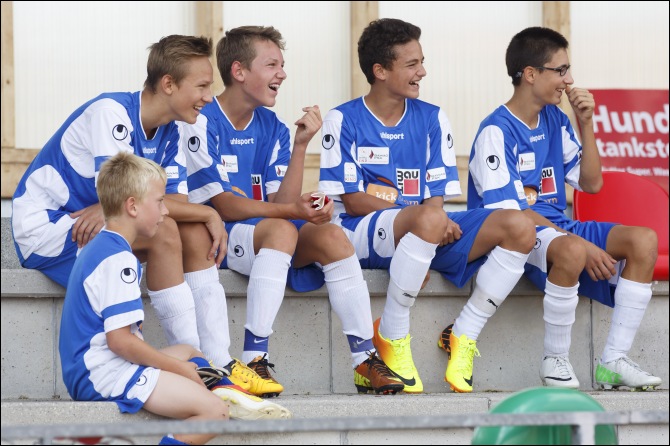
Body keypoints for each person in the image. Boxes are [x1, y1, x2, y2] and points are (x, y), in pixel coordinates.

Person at [11, 34, 286, 405]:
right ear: (168, 84)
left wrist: (199, 212)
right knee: (169, 229)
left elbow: (171, 202)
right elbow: (123, 198)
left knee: (191, 230)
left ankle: (215, 360)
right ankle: (202, 368)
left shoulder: (175, 128)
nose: (209, 97)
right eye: (202, 86)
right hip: (48, 227)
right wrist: (207, 210)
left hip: (102, 228)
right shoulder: (112, 112)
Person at [180, 25, 404, 397]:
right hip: (216, 239)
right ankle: (255, 358)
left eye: (282, 65)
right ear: (239, 71)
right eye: (272, 65)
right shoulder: (201, 122)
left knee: (332, 235)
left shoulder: (272, 125)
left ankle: (365, 360)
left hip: (266, 237)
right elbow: (225, 205)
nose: (282, 74)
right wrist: (290, 209)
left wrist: (301, 146)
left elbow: (281, 202)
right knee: (283, 229)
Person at [318, 18, 536, 394]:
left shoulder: (433, 117)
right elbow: (352, 200)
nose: (422, 72)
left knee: (520, 226)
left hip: (423, 232)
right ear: (380, 71)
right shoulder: (343, 119)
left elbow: (436, 195)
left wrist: (428, 220)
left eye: (422, 62)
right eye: (412, 64)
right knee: (429, 219)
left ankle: (464, 334)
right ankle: (394, 335)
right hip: (359, 231)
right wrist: (422, 218)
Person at [466, 26, 661, 391]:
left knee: (644, 240)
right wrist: (581, 244)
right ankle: (554, 360)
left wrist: (586, 123)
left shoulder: (556, 119)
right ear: (530, 74)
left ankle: (613, 361)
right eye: (561, 70)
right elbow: (513, 216)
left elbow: (592, 184)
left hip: (557, 227)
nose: (569, 80)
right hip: (517, 238)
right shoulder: (496, 130)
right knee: (572, 249)